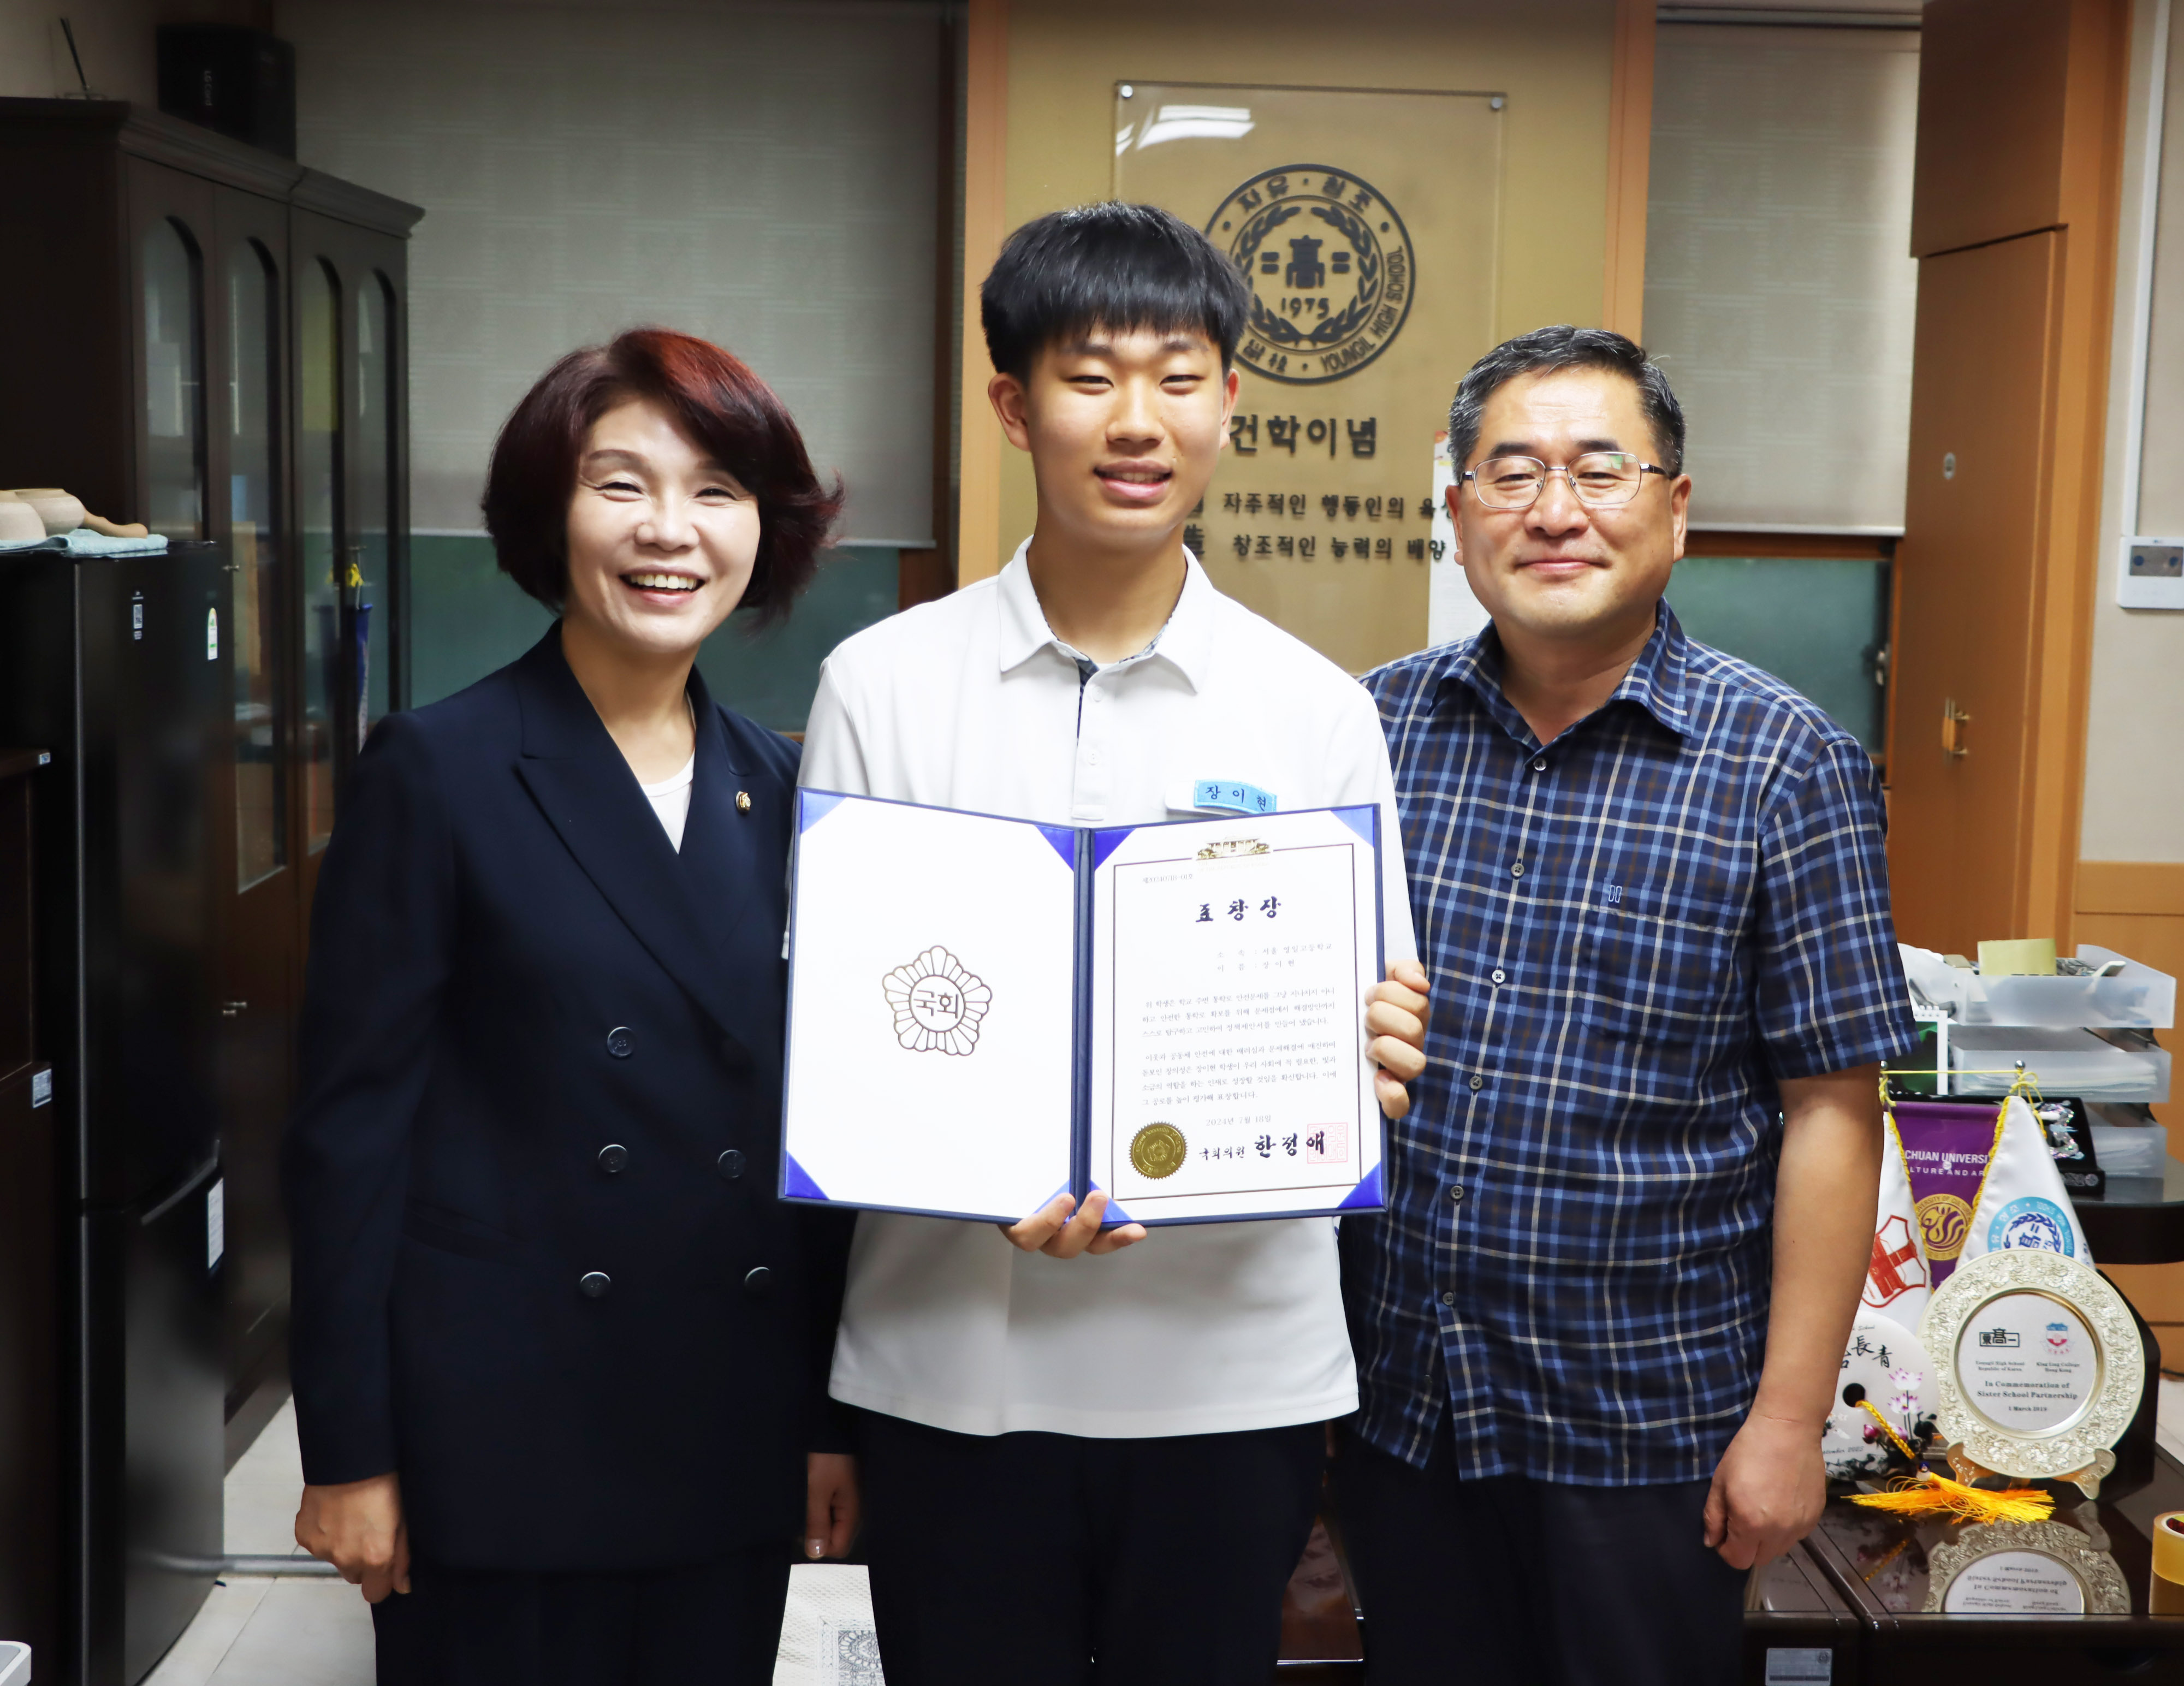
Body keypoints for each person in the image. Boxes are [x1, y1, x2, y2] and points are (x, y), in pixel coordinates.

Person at [796, 201, 1431, 1685]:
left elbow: (1368, 1035)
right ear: (1014, 405)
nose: (1137, 420)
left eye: (1178, 376)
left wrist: (1373, 1062)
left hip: (1231, 1376)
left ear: (1230, 402)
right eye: (1089, 377)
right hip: (948, 1365)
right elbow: (834, 1035)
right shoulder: (880, 686)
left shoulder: (1316, 709)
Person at [1335, 324, 1913, 1686]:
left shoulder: (1784, 763)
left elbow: (1832, 1112)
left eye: (1599, 470)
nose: (1553, 511)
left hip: (1648, 1424)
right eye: (1510, 472)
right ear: (1456, 508)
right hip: (1405, 1402)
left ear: (1674, 506)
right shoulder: (1369, 730)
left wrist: (1787, 1422)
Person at [284, 327, 858, 1684]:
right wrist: (348, 1449)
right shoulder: (438, 766)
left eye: (715, 489)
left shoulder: (784, 785)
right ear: (551, 512)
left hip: (723, 1421)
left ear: (763, 529)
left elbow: (822, 1129)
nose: (670, 529)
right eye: (621, 484)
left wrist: (830, 1419)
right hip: (502, 1432)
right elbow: (347, 1137)